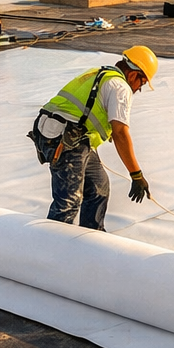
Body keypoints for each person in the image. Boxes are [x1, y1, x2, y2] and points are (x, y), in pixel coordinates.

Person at [33, 46, 158, 230]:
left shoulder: (100, 73)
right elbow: (120, 133)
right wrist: (136, 175)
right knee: (68, 203)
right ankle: (50, 249)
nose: (139, 89)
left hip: (65, 135)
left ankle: (92, 236)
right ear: (133, 74)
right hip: (65, 140)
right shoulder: (120, 87)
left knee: (99, 187)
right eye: (143, 82)